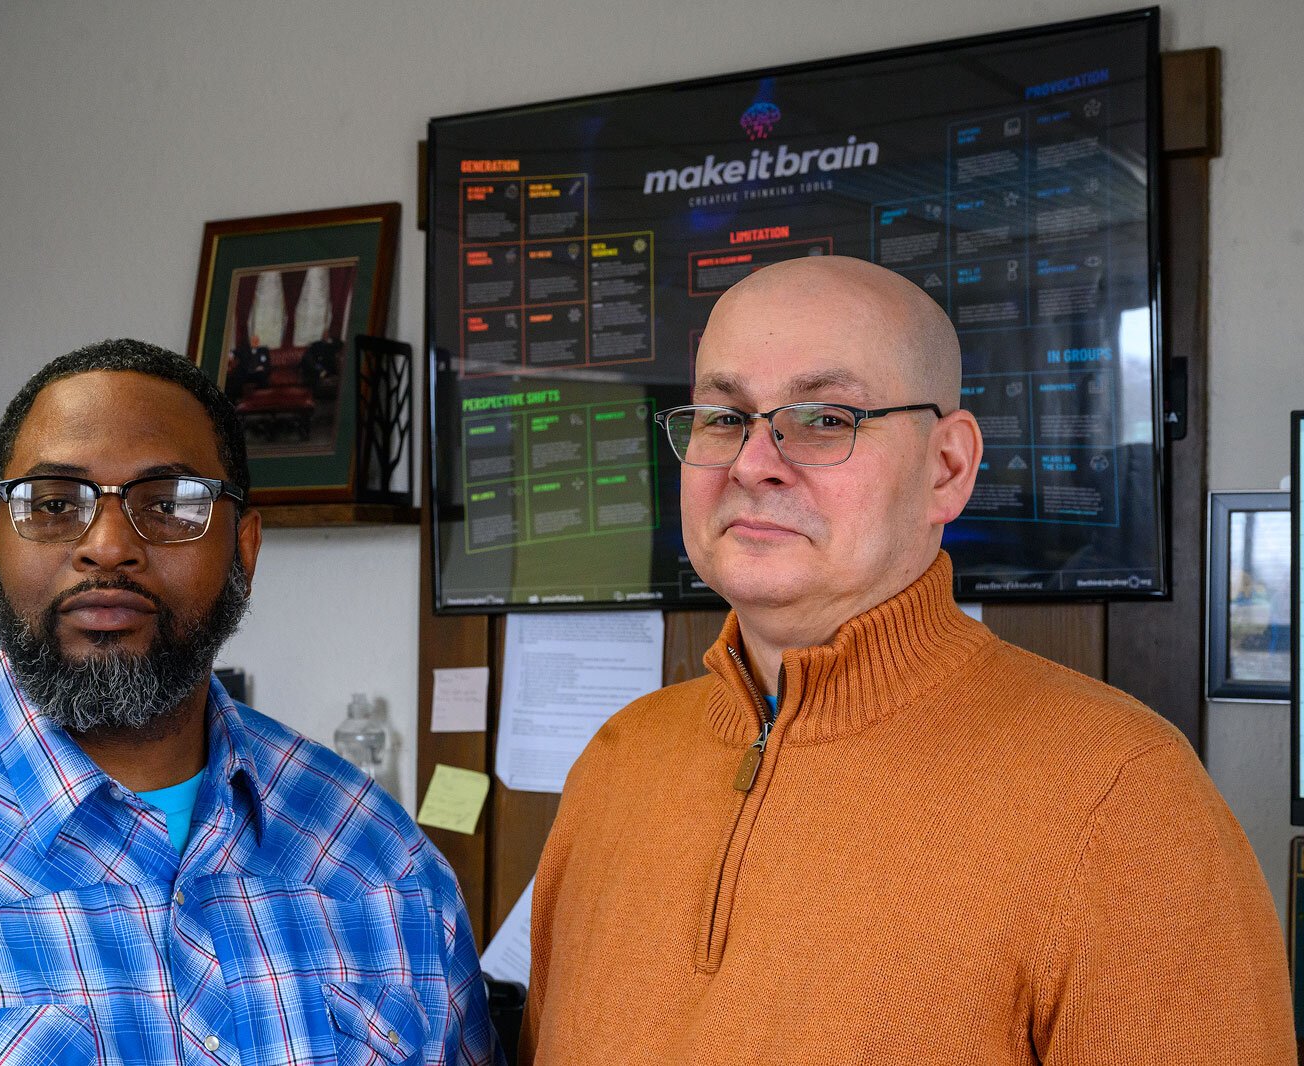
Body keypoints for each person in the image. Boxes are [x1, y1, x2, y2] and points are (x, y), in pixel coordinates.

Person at [522, 258, 1293, 1064]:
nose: (753, 462)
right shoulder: (617, 763)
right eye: (724, 417)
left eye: (825, 418)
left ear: (947, 469)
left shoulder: (1125, 799)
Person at [0, 340, 499, 1065]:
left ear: (244, 550)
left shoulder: (382, 862)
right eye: (53, 503)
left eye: (170, 502)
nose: (109, 543)